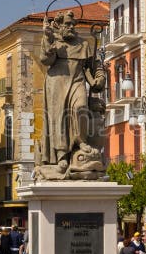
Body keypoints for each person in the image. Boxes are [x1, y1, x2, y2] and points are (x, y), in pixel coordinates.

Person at [38, 10, 105, 177]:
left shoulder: (83, 44)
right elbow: (46, 60)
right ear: (59, 25)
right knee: (59, 119)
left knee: (81, 107)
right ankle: (61, 156)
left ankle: (81, 142)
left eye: (72, 24)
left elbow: (95, 66)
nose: (71, 27)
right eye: (67, 24)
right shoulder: (54, 42)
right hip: (56, 84)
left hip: (77, 80)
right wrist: (47, 38)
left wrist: (100, 78)